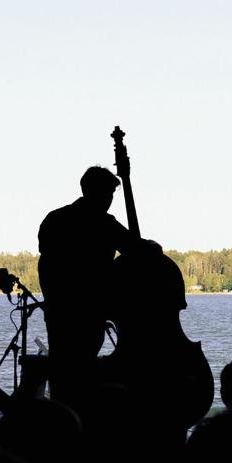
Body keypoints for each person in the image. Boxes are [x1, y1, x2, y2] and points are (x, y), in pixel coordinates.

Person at [37, 166, 138, 409]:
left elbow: (47, 263)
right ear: (96, 192)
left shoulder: (55, 219)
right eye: (108, 194)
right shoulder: (106, 224)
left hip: (59, 310)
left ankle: (63, 417)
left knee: (62, 368)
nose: (110, 200)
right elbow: (136, 250)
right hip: (91, 311)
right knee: (84, 366)